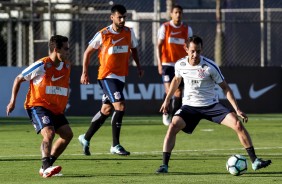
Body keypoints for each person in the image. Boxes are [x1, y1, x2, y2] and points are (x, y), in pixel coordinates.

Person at [156, 35, 272, 173]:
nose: (195, 55)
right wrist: (167, 99)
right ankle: (164, 165)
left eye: (198, 51)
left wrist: (237, 109)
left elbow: (225, 88)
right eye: (192, 51)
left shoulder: (210, 67)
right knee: (173, 126)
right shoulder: (180, 64)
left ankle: (255, 161)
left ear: (201, 50)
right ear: (186, 49)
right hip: (190, 107)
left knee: (237, 124)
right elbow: (176, 80)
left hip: (211, 106)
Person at [78, 4, 144, 156]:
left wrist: (139, 66)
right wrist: (84, 72)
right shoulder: (104, 34)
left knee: (106, 110)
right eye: (119, 17)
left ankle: (85, 138)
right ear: (112, 17)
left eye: (124, 17)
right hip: (107, 76)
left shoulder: (129, 32)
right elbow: (87, 52)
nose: (122, 20)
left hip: (120, 76)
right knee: (120, 106)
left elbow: (134, 48)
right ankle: (115, 145)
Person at [6, 35, 73, 178]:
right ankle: (47, 167)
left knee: (67, 135)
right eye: (66, 49)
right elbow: (18, 78)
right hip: (38, 105)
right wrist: (12, 101)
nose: (68, 52)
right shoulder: (42, 65)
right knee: (49, 133)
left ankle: (46, 166)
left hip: (56, 108)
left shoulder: (67, 65)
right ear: (56, 49)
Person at [157, 4, 193, 126]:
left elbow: (191, 47)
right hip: (167, 63)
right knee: (169, 90)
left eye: (180, 12)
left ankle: (175, 116)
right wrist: (159, 63)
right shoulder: (165, 27)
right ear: (171, 14)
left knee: (178, 92)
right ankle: (165, 112)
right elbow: (158, 45)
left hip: (182, 65)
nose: (178, 15)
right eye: (176, 12)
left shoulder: (187, 29)